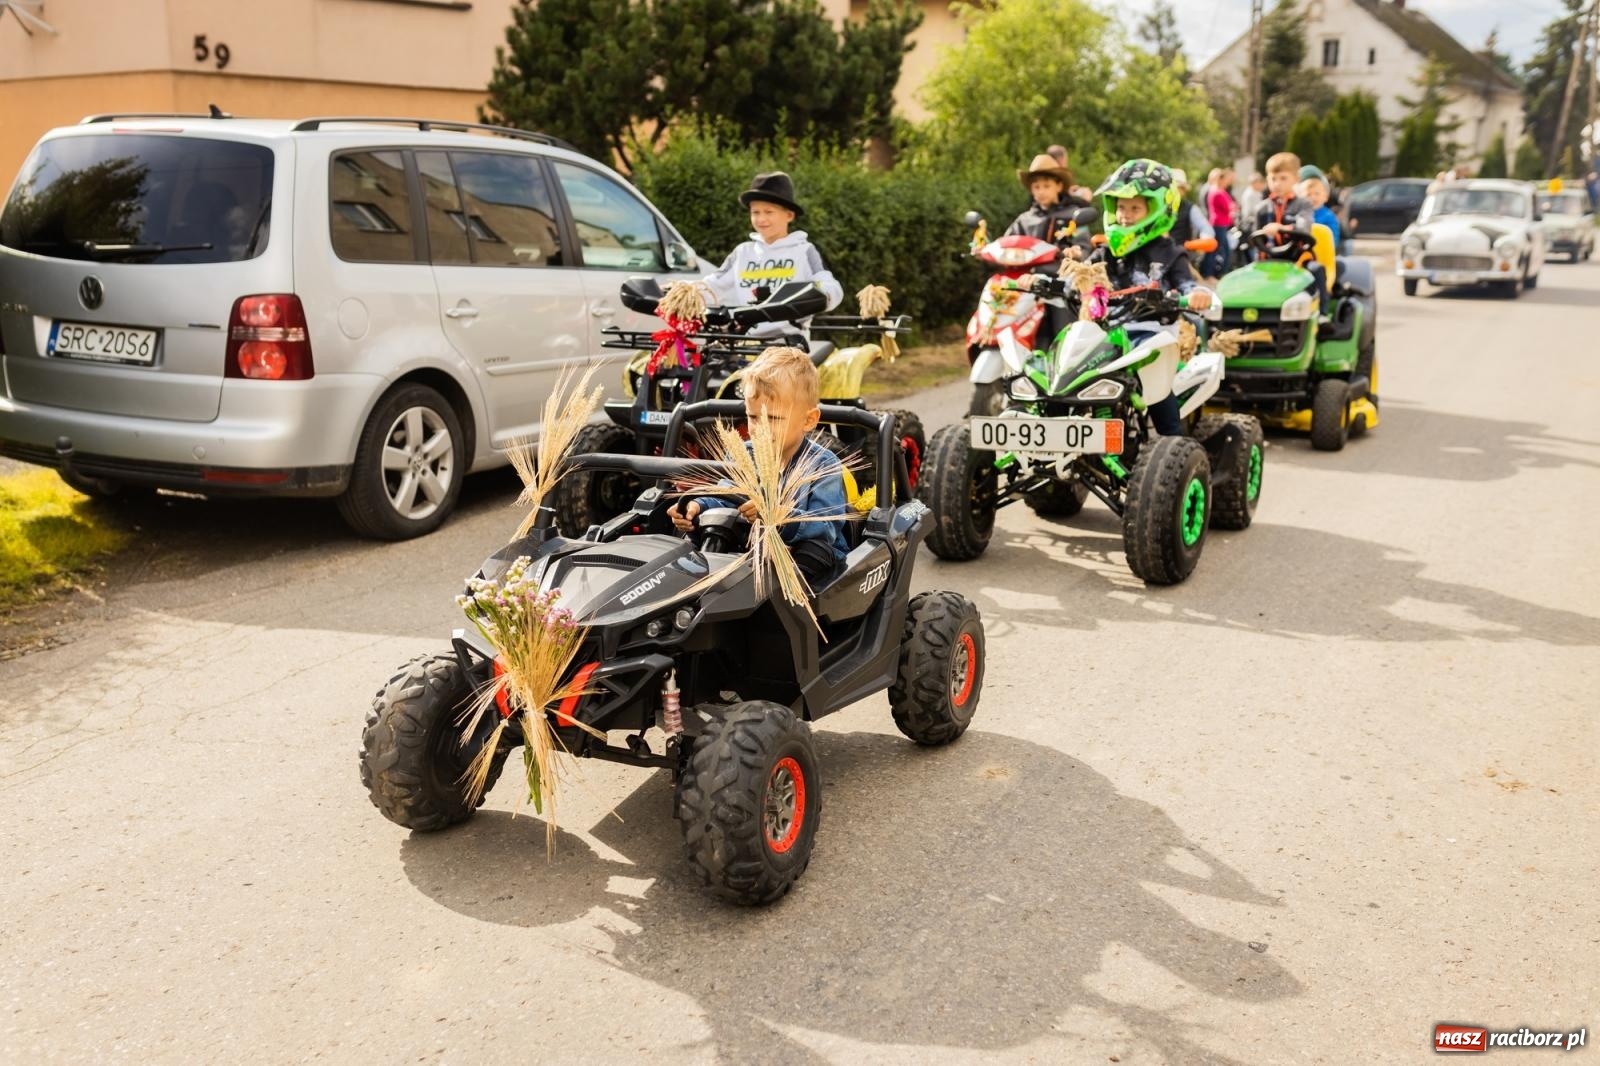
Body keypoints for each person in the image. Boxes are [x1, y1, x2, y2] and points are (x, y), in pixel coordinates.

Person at [1024, 159, 1213, 437]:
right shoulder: (1105, 251)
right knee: (1063, 364)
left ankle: (1174, 444)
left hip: (1151, 334)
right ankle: (1053, 431)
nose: (1125, 214)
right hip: (1105, 333)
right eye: (1120, 207)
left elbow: (1186, 284)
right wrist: (1044, 282)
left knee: (1154, 379)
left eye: (1135, 208)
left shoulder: (1170, 254)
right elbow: (1080, 276)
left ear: (1158, 209)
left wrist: (1196, 295)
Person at [671, 346, 850, 586]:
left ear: (808, 420)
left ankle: (790, 608)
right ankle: (699, 591)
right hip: (753, 543)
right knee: (702, 532)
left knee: (815, 552)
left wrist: (776, 514)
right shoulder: (745, 453)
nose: (759, 427)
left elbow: (825, 528)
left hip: (804, 552)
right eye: (753, 417)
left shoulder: (822, 465)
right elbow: (726, 494)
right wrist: (697, 505)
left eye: (773, 418)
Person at [700, 172, 843, 341]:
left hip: (789, 346)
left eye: (769, 212)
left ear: (789, 215)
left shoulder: (804, 251)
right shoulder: (742, 253)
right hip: (745, 343)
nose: (761, 219)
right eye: (755, 212)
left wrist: (819, 296)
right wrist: (679, 293)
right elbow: (712, 286)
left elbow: (831, 288)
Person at [1252, 151, 1324, 306]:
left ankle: (1322, 314)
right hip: (1269, 259)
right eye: (1273, 179)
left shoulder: (1303, 205)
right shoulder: (1262, 208)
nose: (1277, 183)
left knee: (1316, 269)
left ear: (1296, 179)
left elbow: (1304, 227)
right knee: (1247, 273)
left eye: (1283, 178)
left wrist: (1282, 228)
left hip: (1296, 259)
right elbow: (1255, 238)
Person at [1005, 153, 1091, 257]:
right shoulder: (1024, 221)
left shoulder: (1074, 216)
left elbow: (1084, 249)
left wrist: (1074, 253)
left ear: (1059, 186)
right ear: (1031, 190)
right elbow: (1005, 245)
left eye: (1046, 186)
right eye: (1037, 187)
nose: (1041, 192)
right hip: (1028, 271)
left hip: (1063, 271)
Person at [1167, 168, 1215, 247]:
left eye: (1178, 188)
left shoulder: (1190, 208)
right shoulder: (1158, 207)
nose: (1173, 192)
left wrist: (1195, 244)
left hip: (1180, 253)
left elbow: (1207, 229)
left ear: (1183, 190)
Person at [1204, 166, 1237, 278]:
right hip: (1219, 225)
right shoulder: (1217, 192)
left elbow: (1232, 205)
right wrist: (1233, 207)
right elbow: (1229, 207)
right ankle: (1211, 274)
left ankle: (1218, 273)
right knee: (1217, 250)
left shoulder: (1218, 191)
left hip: (1221, 224)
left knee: (1221, 250)